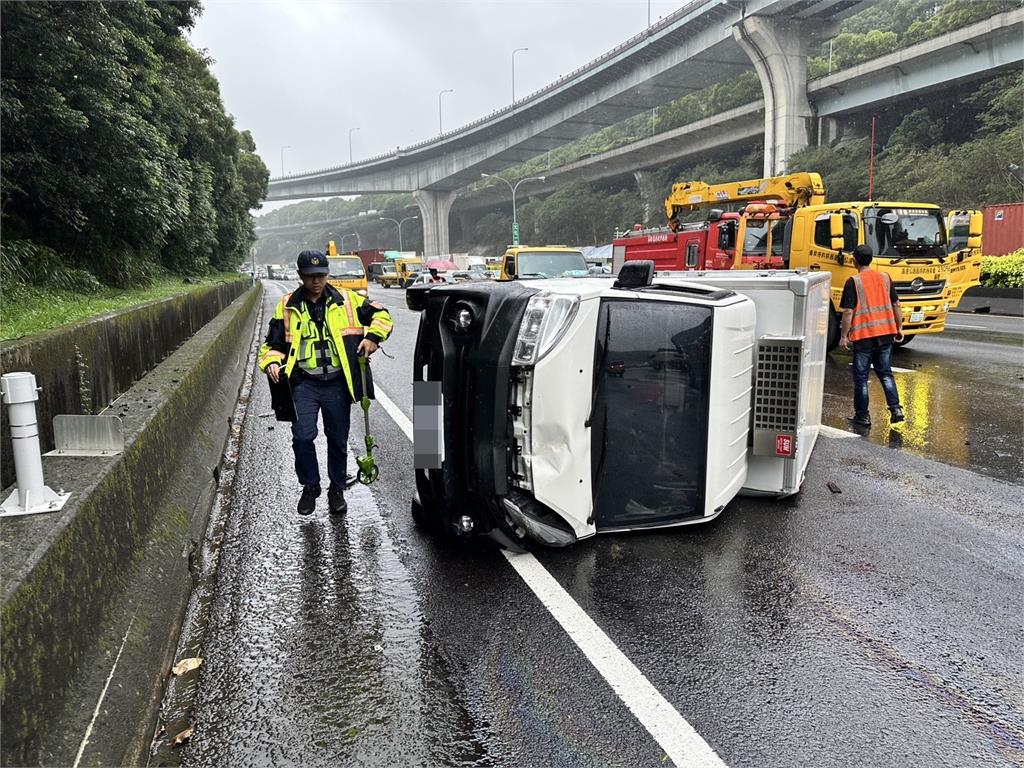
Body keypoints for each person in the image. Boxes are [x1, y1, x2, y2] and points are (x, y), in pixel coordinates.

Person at [258, 250, 393, 515]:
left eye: (320, 275)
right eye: (310, 276)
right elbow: (272, 344)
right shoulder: (286, 305)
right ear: (300, 277)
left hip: (337, 384)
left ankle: (337, 489)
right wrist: (272, 362)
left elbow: (383, 315)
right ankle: (310, 486)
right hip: (304, 384)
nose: (316, 281)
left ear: (327, 274)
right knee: (303, 437)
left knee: (337, 439)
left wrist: (373, 338)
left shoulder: (347, 299)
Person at [839, 244, 905, 428]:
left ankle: (863, 416)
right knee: (885, 373)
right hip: (885, 334)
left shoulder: (854, 281)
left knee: (861, 378)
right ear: (871, 259)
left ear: (854, 261)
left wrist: (844, 336)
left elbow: (847, 312)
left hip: (864, 336)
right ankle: (896, 409)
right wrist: (899, 327)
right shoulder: (885, 278)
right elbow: (896, 304)